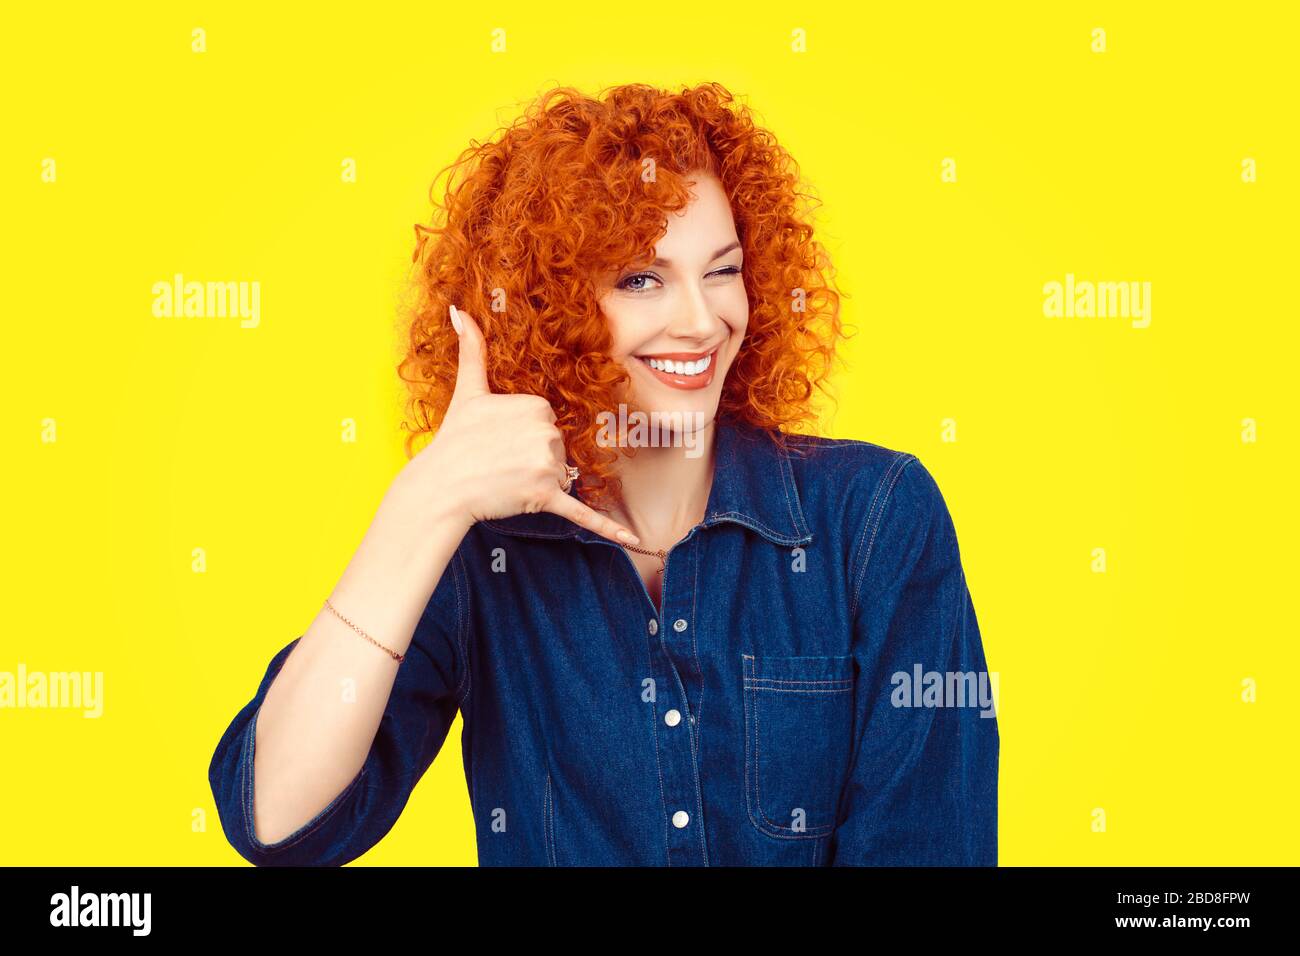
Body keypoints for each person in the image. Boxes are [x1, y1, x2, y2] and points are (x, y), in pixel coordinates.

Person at [208, 82, 998, 866]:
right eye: (640, 280)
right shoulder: (482, 553)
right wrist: (426, 500)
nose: (701, 319)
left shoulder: (876, 520)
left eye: (721, 271)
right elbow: (277, 819)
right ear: (551, 309)